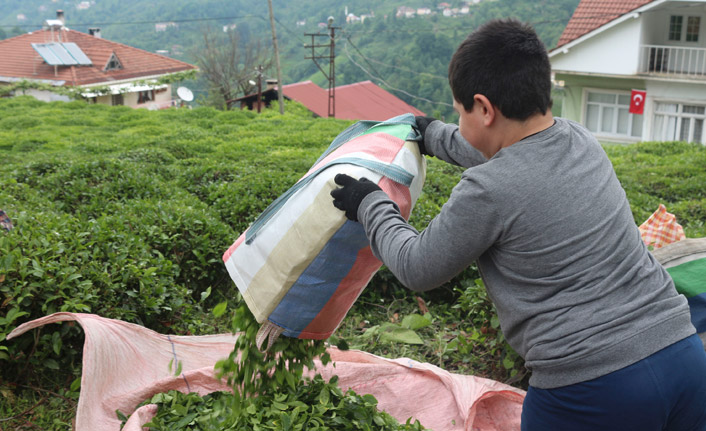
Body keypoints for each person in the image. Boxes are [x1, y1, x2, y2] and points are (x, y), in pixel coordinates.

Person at [331, 18, 706, 430]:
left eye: (461, 113)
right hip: (683, 358)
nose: (460, 122)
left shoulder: (486, 190)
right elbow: (508, 156)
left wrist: (369, 203)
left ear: (485, 108)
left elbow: (417, 267)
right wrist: (433, 135)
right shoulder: (581, 140)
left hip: (592, 389)